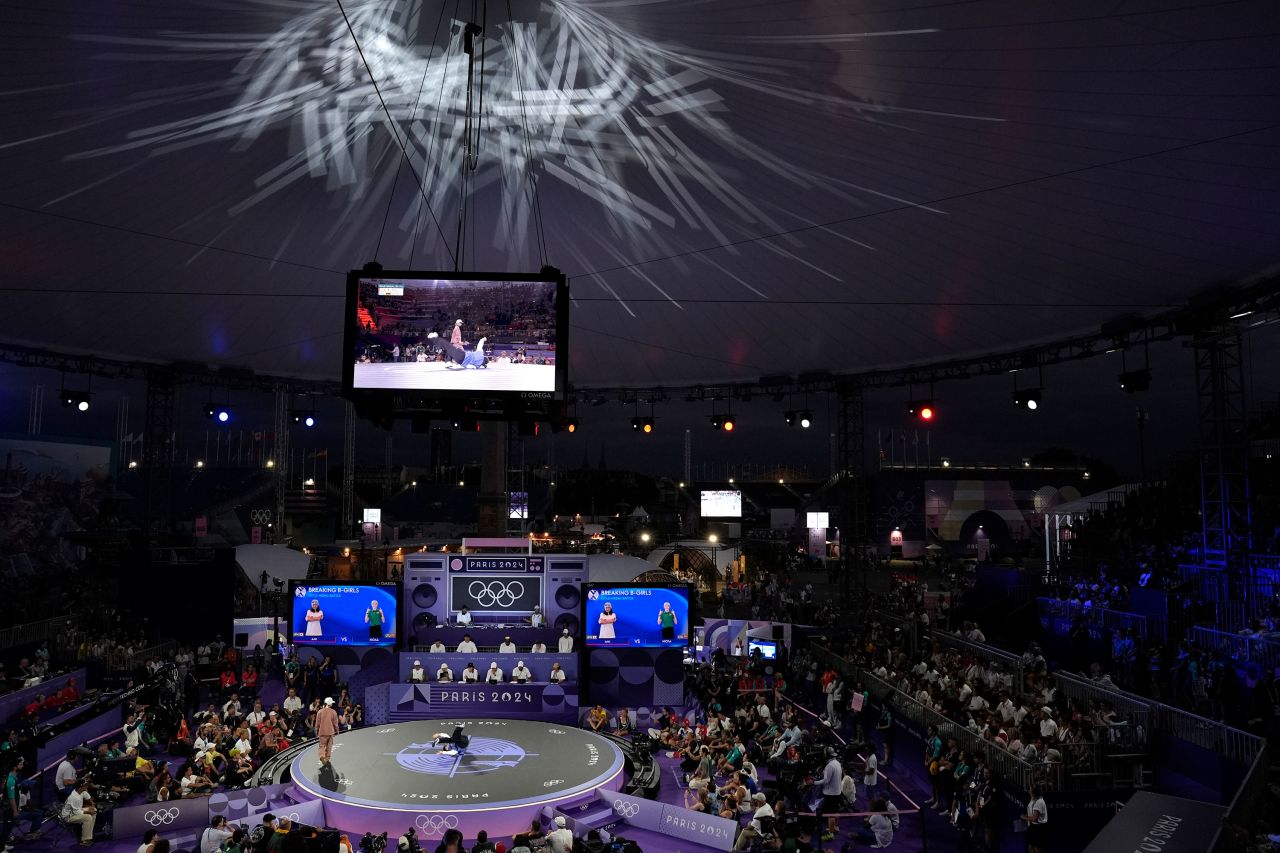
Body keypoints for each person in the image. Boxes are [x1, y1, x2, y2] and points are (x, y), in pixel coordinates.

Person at [60, 779, 95, 845]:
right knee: (88, 817)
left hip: (77, 810)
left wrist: (92, 806)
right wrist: (89, 812)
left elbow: (88, 797)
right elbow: (77, 813)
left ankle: (88, 836)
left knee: (94, 811)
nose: (86, 786)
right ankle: (84, 840)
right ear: (81, 787)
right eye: (85, 785)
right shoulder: (73, 798)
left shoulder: (81, 792)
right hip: (68, 817)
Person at [818, 748, 843, 841]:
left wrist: (815, 782)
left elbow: (826, 781)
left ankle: (830, 834)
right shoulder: (837, 763)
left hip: (831, 794)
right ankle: (835, 827)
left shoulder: (830, 766)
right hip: (837, 792)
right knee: (835, 812)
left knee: (830, 814)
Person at [1023, 783, 1048, 853]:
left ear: (1033, 791)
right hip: (1032, 827)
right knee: (1030, 846)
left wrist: (1024, 817)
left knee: (1037, 849)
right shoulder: (1032, 800)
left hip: (1039, 829)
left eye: (1030, 789)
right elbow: (1031, 813)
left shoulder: (1039, 802)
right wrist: (1026, 816)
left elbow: (1034, 818)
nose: (1028, 790)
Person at [316, 698, 340, 765]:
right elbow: (335, 723)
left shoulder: (319, 712)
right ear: (330, 704)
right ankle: (327, 758)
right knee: (329, 746)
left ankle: (322, 756)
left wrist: (317, 731)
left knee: (322, 745)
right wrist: (337, 731)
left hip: (322, 731)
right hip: (330, 732)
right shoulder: (333, 712)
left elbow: (317, 724)